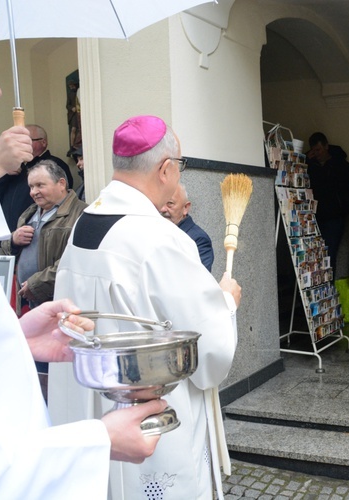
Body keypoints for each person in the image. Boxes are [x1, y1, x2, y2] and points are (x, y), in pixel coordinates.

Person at [0, 3, 162, 496]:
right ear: (165, 171)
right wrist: (95, 440)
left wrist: (11, 341)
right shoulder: (21, 212)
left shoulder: (87, 215)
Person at [49, 115, 243, 500]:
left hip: (90, 410)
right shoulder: (161, 239)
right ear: (166, 169)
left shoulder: (84, 223)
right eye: (179, 166)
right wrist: (226, 301)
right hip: (147, 420)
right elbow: (210, 347)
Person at [1, 159, 87, 379]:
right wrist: (13, 239)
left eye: (40, 185)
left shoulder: (81, 215)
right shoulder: (29, 213)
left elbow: (75, 261)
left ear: (61, 183)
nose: (33, 192)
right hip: (29, 304)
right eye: (31, 187)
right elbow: (5, 247)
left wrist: (38, 284)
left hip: (57, 305)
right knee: (34, 368)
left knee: (57, 370)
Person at [0, 123, 75, 231]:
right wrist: (5, 174)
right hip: (9, 233)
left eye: (28, 140)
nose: (22, 144)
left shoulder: (55, 164)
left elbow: (59, 200)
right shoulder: (16, 165)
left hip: (38, 231)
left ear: (43, 142)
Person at [306, 132, 349, 275]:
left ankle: (329, 289)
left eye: (319, 150)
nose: (317, 154)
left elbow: (346, 188)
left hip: (334, 217)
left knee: (329, 255)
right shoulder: (310, 165)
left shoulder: (340, 165)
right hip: (314, 217)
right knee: (313, 256)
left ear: (326, 146)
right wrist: (306, 162)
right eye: (313, 151)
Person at [160, 182, 214, 272]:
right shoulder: (153, 231)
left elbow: (199, 280)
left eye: (170, 203)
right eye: (161, 202)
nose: (163, 209)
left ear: (185, 208)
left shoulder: (198, 239)